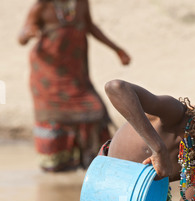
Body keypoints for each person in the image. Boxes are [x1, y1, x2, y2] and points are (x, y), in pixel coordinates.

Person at [18, 0, 131, 172]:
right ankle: (58, 169)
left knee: (95, 110)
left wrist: (117, 49)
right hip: (47, 75)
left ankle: (96, 165)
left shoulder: (81, 3)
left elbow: (90, 27)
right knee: (55, 118)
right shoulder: (41, 6)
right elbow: (22, 37)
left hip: (75, 74)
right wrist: (28, 33)